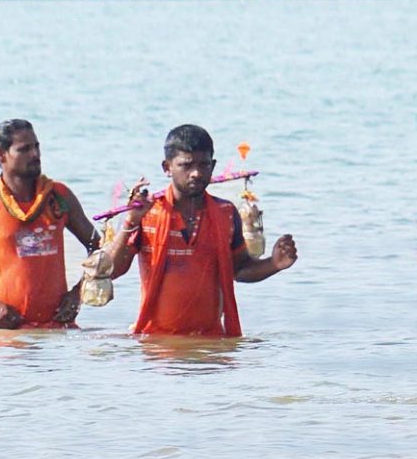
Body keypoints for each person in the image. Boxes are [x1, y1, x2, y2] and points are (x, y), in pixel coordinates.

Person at [106, 124, 297, 336]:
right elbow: (112, 271)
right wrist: (130, 222)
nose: (196, 173)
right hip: (157, 347)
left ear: (213, 166)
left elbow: (239, 269)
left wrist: (274, 264)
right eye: (186, 165)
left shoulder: (226, 213)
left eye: (204, 165)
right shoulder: (146, 213)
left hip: (211, 342)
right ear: (167, 167)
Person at [0, 119, 100, 329]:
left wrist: (79, 292)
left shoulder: (59, 196)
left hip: (59, 335)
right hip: (8, 337)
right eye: (24, 149)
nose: (35, 155)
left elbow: (99, 249)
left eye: (36, 146)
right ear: (1, 154)